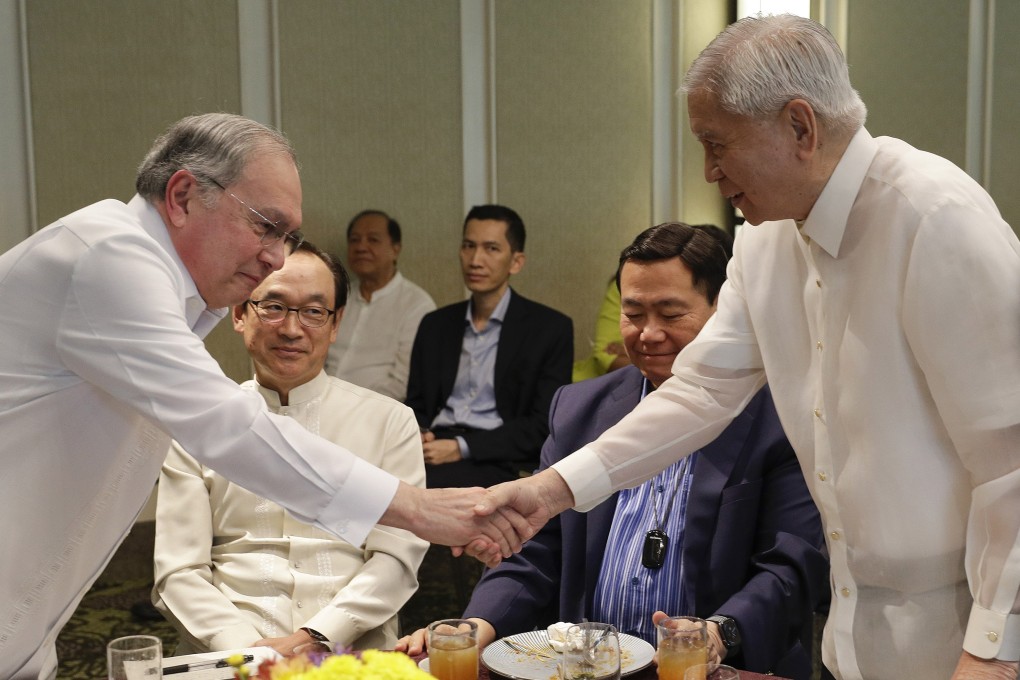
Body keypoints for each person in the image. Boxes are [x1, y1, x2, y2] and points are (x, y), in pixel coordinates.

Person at [478, 15, 1020, 680]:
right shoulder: (766, 241)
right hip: (851, 627)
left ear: (800, 127)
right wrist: (553, 490)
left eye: (716, 144)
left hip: (963, 628)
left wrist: (996, 648)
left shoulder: (936, 217)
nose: (708, 172)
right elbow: (703, 392)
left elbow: (1011, 464)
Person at [0, 113, 524, 679]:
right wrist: (421, 510)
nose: (276, 257)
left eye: (289, 238)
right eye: (266, 226)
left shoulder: (148, 276)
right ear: (182, 196)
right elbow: (228, 427)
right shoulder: (109, 258)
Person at [398, 223, 828, 678]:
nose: (648, 334)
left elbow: (792, 566)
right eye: (634, 313)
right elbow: (538, 551)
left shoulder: (779, 415)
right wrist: (476, 626)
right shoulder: (581, 409)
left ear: (725, 312)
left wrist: (719, 632)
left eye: (670, 313)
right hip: (588, 665)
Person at [153, 241, 428, 656]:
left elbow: (396, 560)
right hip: (231, 652)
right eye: (274, 307)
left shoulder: (390, 422)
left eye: (314, 312)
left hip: (350, 647)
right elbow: (179, 571)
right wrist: (251, 653)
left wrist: (314, 638)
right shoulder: (198, 426)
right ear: (240, 314)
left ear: (335, 325)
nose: (292, 329)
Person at [405, 204, 573, 488]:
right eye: (468, 246)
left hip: (496, 457)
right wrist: (418, 434)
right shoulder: (435, 325)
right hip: (432, 450)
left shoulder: (549, 329)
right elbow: (417, 406)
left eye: (491, 249)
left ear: (516, 262)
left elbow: (542, 424)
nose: (475, 260)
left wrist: (461, 446)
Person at [325, 209, 435, 401]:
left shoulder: (417, 305)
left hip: (376, 413)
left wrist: (356, 409)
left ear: (395, 249)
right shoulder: (338, 297)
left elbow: (403, 382)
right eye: (355, 240)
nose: (361, 247)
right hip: (320, 403)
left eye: (373, 240)